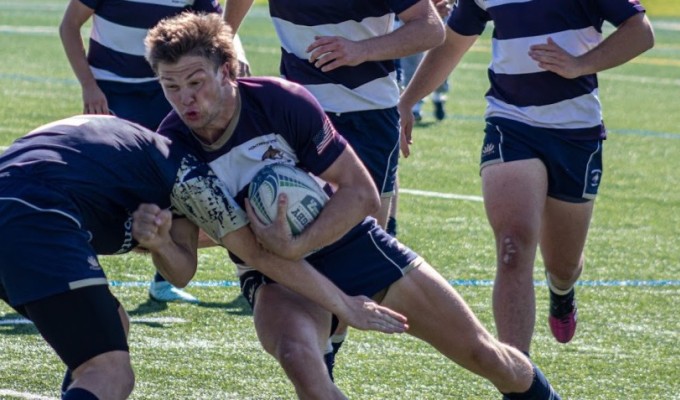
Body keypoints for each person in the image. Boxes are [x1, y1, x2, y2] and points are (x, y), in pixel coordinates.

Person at [140, 12, 563, 399]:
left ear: (227, 71)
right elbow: (184, 268)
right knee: (304, 366)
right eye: (170, 86)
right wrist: (160, 243)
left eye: (195, 82)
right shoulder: (173, 149)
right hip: (274, 274)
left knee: (485, 355)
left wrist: (296, 242)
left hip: (350, 243)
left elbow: (361, 193)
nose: (184, 99)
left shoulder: (280, 102)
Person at [0, 114, 403, 400]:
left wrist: (159, 244)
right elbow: (257, 254)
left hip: (17, 202)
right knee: (109, 372)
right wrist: (345, 306)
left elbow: (180, 271)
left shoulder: (127, 152)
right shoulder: (187, 172)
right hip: (34, 215)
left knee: (113, 324)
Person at [398, 0, 655, 354]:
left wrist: (581, 64)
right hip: (510, 122)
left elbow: (640, 32)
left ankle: (562, 291)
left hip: (575, 132)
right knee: (512, 247)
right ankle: (518, 380)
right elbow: (454, 41)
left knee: (563, 266)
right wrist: (407, 101)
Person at [223, 0, 446, 372]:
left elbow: (430, 27)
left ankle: (326, 361)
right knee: (313, 249)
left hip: (368, 117)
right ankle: (321, 370)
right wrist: (226, 44)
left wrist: (361, 50)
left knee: (353, 251)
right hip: (300, 116)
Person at [59, 0, 225, 303]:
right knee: (102, 189)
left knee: (175, 184)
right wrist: (88, 86)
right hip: (112, 93)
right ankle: (73, 274)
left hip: (168, 93)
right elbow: (69, 26)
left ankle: (163, 280)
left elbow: (213, 32)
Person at [396, 0, 452, 122]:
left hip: (439, 7)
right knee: (411, 58)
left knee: (442, 56)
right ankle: (414, 106)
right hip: (412, 9)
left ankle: (439, 96)